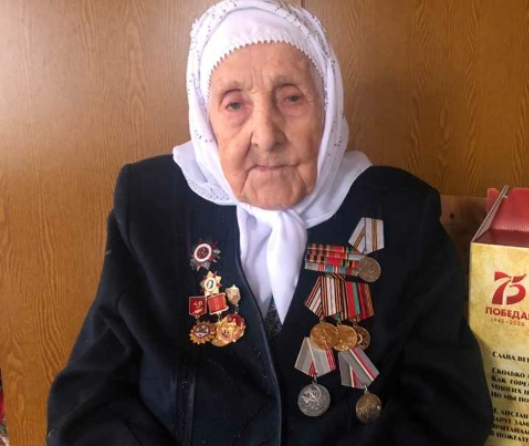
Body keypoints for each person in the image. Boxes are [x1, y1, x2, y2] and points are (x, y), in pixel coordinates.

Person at [45, 1, 492, 445]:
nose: (265, 135)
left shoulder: (401, 214)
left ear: (327, 104)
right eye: (234, 104)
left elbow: (450, 406)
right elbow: (88, 403)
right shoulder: (151, 207)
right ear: (206, 119)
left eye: (291, 97)